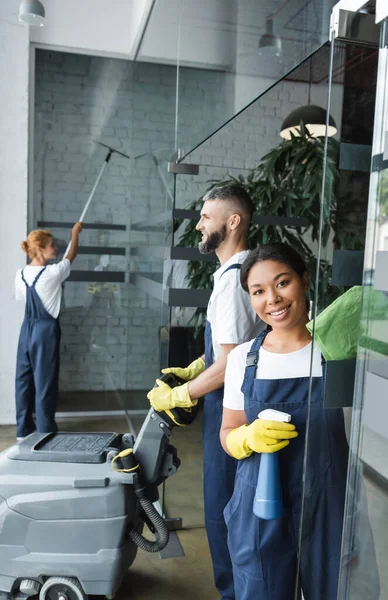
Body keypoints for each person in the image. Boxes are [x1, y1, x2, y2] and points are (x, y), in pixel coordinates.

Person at [147, 185, 264, 600]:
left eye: (206, 216)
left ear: (233, 222)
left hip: (230, 411)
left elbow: (231, 364)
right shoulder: (237, 271)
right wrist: (198, 364)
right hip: (232, 405)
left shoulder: (234, 280)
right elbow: (235, 347)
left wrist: (183, 395)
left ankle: (233, 594)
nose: (198, 223)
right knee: (230, 509)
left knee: (222, 511)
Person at [220, 242, 350, 600]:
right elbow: (227, 431)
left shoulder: (335, 351)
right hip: (260, 506)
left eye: (282, 283)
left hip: (329, 503)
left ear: (304, 281)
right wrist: (246, 439)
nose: (272, 299)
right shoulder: (244, 359)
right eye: (258, 291)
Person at [14, 223, 83, 441]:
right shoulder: (52, 273)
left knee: (23, 380)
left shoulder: (21, 274)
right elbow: (71, 256)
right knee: (45, 381)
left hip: (26, 329)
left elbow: (23, 300)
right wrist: (75, 233)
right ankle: (45, 431)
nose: (56, 249)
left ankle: (23, 431)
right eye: (52, 246)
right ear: (41, 249)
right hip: (45, 330)